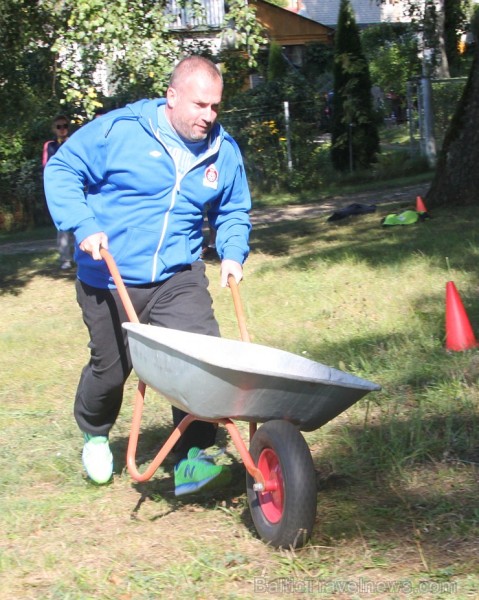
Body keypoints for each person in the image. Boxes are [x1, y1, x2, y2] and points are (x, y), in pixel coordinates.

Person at [44, 56, 252, 492]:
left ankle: (193, 455)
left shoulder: (222, 150)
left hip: (178, 275)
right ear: (171, 97)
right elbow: (63, 169)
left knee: (201, 361)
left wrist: (232, 252)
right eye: (199, 105)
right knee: (111, 369)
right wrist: (84, 225)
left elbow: (233, 208)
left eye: (215, 107)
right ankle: (96, 433)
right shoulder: (119, 132)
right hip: (109, 274)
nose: (208, 116)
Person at [42, 115, 75, 270]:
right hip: (60, 188)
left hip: (76, 186)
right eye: (59, 126)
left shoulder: (75, 142)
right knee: (63, 225)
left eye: (65, 126)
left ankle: (83, 257)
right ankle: (65, 258)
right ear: (54, 129)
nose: (62, 129)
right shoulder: (50, 146)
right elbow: (47, 167)